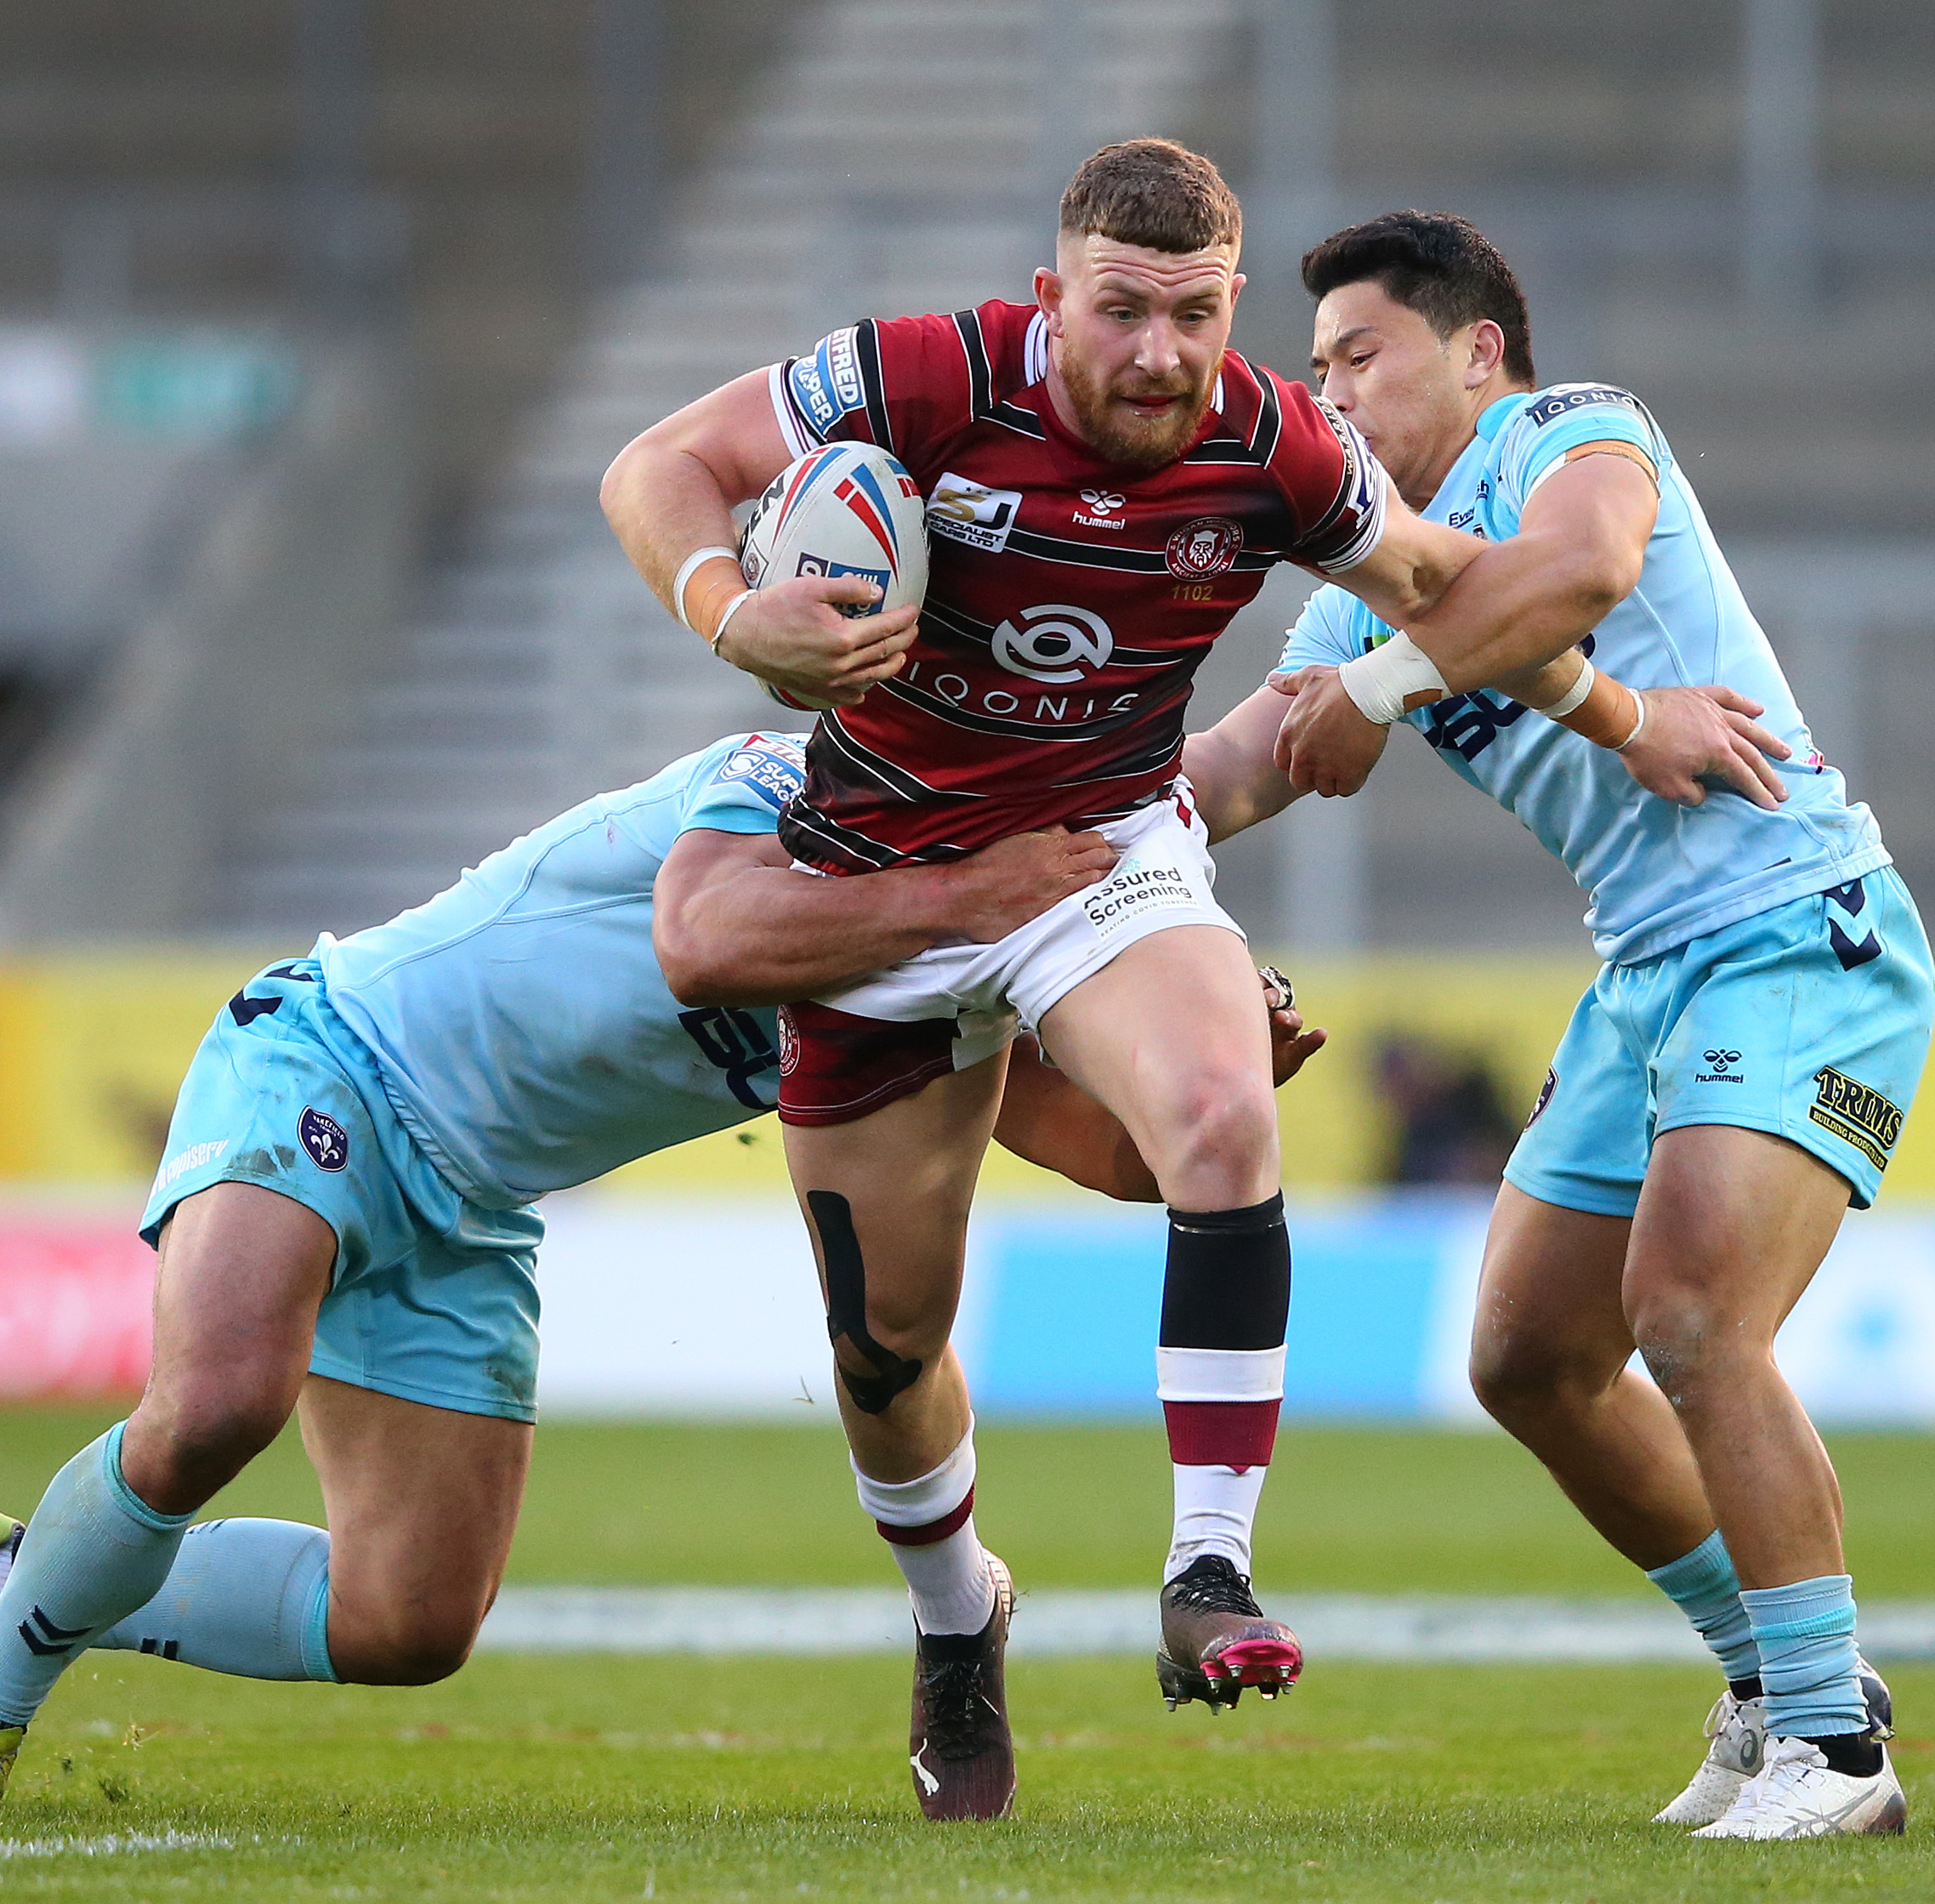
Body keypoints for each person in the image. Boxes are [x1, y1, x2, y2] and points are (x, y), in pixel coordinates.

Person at [596, 138, 1765, 1818]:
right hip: (886, 872)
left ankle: (1204, 1572)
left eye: (1197, 316)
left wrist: (1629, 713)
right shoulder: (917, 373)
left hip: (1102, 853)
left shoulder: (1273, 448)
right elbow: (662, 463)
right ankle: (954, 1619)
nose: (1158, 354)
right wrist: (725, 606)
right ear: (1049, 292)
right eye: (1122, 311)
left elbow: (1444, 589)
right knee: (884, 1344)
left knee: (1223, 1109)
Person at [0, 729, 1321, 1825]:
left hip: (474, 1207)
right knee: (216, 1406)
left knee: (409, 1624)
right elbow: (704, 949)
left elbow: (1112, 1159)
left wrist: (1214, 1087)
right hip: (329, 1063)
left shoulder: (947, 970)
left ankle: (3, 1578)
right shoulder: (775, 788)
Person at [1214, 208, 1933, 1839]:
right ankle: (1776, 1682)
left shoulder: (1569, 428)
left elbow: (1585, 570)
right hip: (1640, 978)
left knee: (1687, 1316)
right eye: (1312, 369)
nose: (1328, 395)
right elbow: (1245, 764)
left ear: (1476, 351)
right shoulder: (1371, 561)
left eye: (1359, 355)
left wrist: (1384, 691)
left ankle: (1838, 1756)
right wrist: (1049, 865)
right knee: (1530, 1354)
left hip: (1794, 929)